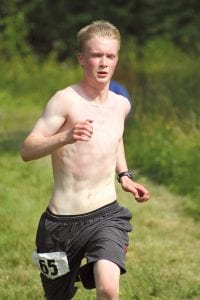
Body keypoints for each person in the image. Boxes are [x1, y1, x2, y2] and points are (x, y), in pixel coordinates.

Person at [21, 20, 150, 300]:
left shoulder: (121, 105)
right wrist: (64, 137)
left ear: (117, 58)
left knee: (108, 289)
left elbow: (115, 139)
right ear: (81, 58)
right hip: (59, 226)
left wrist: (124, 176)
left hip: (106, 215)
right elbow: (27, 150)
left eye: (110, 56)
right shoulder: (64, 101)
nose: (103, 63)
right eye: (96, 55)